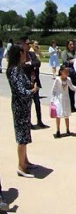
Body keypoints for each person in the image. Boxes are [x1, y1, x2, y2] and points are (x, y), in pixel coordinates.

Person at [6, 44, 39, 178]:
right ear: (19, 54)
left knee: (25, 134)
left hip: (24, 106)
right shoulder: (14, 70)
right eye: (24, 53)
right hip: (20, 106)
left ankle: (25, 160)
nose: (26, 55)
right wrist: (32, 91)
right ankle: (21, 166)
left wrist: (32, 84)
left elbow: (25, 84)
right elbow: (20, 91)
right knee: (22, 136)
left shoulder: (18, 69)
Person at [20, 36, 46, 129]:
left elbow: (38, 63)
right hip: (26, 82)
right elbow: (22, 67)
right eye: (27, 43)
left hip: (35, 81)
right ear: (22, 44)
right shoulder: (21, 55)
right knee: (28, 103)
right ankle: (29, 122)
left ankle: (39, 121)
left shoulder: (31, 54)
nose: (29, 45)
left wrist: (30, 64)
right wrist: (30, 65)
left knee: (37, 102)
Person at [51, 65, 76, 138]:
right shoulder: (57, 79)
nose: (67, 73)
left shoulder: (68, 79)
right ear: (61, 72)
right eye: (65, 72)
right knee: (58, 114)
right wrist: (53, 99)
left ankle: (68, 130)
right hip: (58, 99)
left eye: (68, 72)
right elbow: (53, 90)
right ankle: (58, 130)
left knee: (66, 115)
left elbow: (72, 87)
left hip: (66, 98)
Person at [61, 40, 76, 111]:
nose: (72, 46)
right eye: (70, 44)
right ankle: (66, 106)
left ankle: (72, 106)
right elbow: (64, 61)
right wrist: (71, 61)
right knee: (66, 90)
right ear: (67, 45)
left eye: (73, 44)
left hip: (74, 73)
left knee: (72, 90)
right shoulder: (65, 52)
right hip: (67, 72)